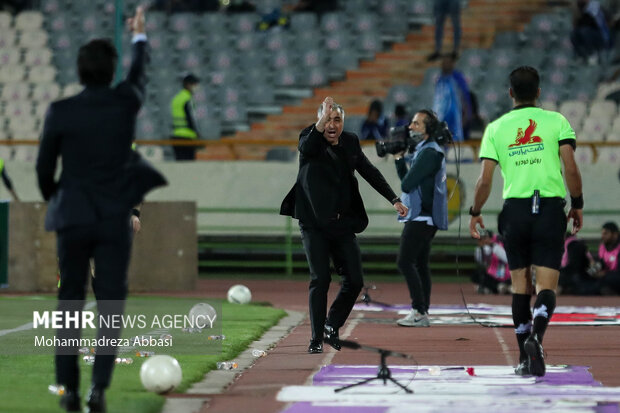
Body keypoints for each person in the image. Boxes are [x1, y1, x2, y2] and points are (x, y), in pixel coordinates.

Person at [36, 7, 166, 412]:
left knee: (69, 302)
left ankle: (69, 390)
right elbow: (140, 72)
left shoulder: (61, 111)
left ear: (79, 71)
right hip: (113, 219)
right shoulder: (124, 102)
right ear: (112, 71)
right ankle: (98, 390)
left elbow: (43, 169)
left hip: (72, 216)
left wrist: (60, 196)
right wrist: (139, 36)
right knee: (110, 303)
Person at [469, 66, 584, 378]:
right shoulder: (557, 121)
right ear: (539, 92)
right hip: (548, 209)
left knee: (520, 286)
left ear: (510, 94)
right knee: (547, 285)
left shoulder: (495, 128)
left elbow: (484, 181)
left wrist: (474, 211)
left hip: (515, 211)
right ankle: (538, 336)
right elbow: (571, 168)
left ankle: (524, 358)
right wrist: (577, 204)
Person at [280, 96, 407, 354]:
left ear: (343, 123)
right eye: (327, 119)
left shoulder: (350, 142)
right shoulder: (309, 138)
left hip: (342, 223)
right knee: (321, 278)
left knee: (355, 280)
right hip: (313, 224)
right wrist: (319, 121)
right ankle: (316, 338)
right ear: (319, 121)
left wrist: (393, 198)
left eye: (336, 119)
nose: (332, 124)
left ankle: (331, 325)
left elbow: (369, 170)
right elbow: (306, 149)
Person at [393, 110, 448, 327]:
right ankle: (422, 311)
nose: (411, 127)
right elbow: (408, 180)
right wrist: (399, 158)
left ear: (428, 129)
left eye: (416, 123)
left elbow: (406, 184)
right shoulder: (426, 150)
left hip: (422, 216)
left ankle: (418, 310)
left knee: (405, 261)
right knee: (420, 263)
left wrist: (402, 162)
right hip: (424, 215)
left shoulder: (429, 153)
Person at [433, 54, 472, 142]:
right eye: (443, 63)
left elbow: (465, 98)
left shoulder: (458, 78)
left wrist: (466, 115)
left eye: (447, 62)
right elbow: (437, 101)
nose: (444, 65)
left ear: (452, 64)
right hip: (442, 117)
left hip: (456, 117)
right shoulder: (439, 80)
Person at [571, 0, 612, 65]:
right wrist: (576, 9)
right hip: (585, 34)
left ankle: (593, 54)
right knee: (574, 34)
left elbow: (609, 20)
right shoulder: (579, 8)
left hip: (600, 36)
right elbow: (575, 25)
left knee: (584, 31)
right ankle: (582, 56)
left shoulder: (596, 6)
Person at [170, 73, 200, 161]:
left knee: (179, 165)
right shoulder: (188, 99)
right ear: (187, 85)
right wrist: (197, 133)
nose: (196, 87)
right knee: (189, 166)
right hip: (187, 136)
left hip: (176, 135)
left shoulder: (176, 98)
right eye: (194, 84)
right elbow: (191, 118)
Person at [472, 230, 511, 294]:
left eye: (484, 238)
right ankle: (499, 288)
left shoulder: (499, 245)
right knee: (476, 274)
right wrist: (481, 248)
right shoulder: (483, 248)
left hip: (507, 274)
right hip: (494, 275)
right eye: (480, 239)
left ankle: (499, 288)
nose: (482, 241)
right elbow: (481, 261)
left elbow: (506, 259)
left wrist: (492, 245)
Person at [597, 221, 620, 294]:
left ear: (615, 234)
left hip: (616, 277)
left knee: (607, 279)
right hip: (607, 276)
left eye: (606, 233)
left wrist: (604, 274)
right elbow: (601, 263)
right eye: (602, 233)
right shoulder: (603, 247)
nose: (602, 236)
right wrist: (593, 270)